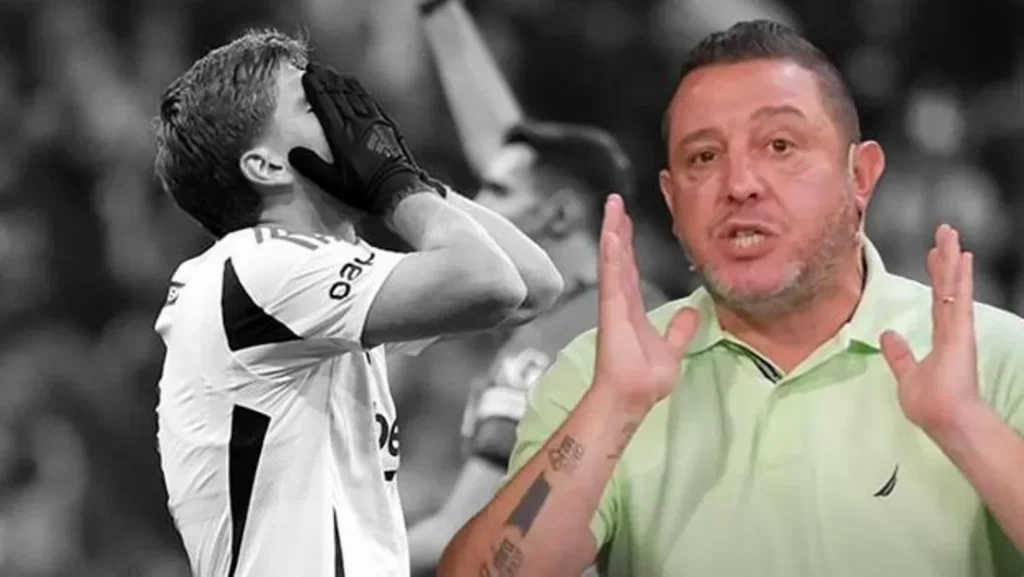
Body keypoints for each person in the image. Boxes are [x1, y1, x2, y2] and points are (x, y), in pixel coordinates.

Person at [438, 19, 1024, 577]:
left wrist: (968, 426)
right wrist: (612, 409)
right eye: (704, 157)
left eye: (780, 145)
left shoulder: (998, 357)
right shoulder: (600, 374)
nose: (739, 184)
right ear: (672, 201)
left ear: (861, 177)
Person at [151, 29, 564, 577]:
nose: (348, 121)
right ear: (266, 166)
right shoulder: (256, 268)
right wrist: (392, 181)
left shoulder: (305, 277)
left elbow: (534, 284)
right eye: (313, 104)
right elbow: (492, 283)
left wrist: (404, 177)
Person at [405, 4, 666, 575]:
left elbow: (461, 535)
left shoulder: (549, 349)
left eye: (495, 193)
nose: (472, 209)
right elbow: (511, 161)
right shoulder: (645, 309)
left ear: (561, 215)